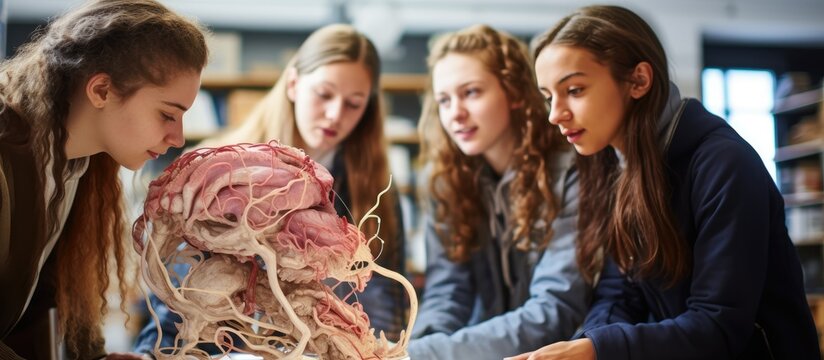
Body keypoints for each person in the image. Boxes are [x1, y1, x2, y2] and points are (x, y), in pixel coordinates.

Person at [509, 5, 820, 360]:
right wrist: (587, 344)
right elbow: (617, 294)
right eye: (549, 97)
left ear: (639, 80)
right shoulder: (615, 164)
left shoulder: (723, 163)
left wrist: (597, 350)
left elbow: (718, 327)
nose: (555, 114)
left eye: (575, 90)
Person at [132, 23, 409, 354]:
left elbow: (383, 299)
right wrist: (151, 352)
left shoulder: (373, 187)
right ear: (293, 84)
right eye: (324, 94)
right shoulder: (222, 173)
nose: (335, 114)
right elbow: (180, 294)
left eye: (354, 103)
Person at [0, 0, 208, 359]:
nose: (178, 138)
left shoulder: (80, 164)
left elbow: (44, 295)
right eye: (167, 114)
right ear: (100, 91)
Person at [407, 24, 588, 360]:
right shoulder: (447, 181)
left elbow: (555, 311)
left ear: (516, 92)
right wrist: (418, 347)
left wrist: (422, 355)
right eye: (444, 100)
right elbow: (447, 294)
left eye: (471, 92)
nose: (455, 113)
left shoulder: (569, 171)